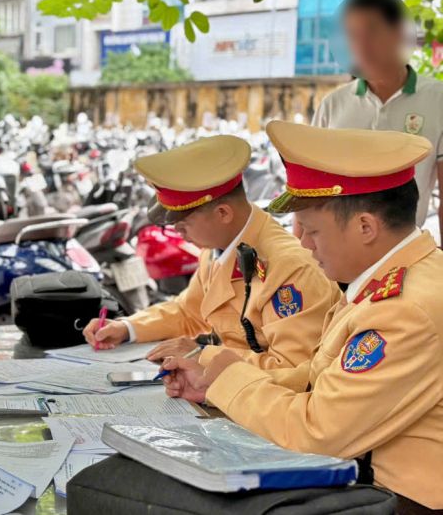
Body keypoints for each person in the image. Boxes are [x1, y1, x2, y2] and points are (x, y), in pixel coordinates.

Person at [163, 122, 443, 513]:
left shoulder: (403, 310)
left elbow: (316, 431)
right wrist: (215, 378)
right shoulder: (395, 278)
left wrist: (228, 378)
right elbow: (320, 379)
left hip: (400, 501)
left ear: (365, 226)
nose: (304, 245)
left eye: (312, 230)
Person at [83, 136, 340, 370]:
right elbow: (188, 311)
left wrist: (202, 354)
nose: (180, 234)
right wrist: (126, 328)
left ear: (223, 214)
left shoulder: (290, 268)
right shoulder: (218, 248)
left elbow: (292, 367)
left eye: (183, 225)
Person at [311, 0, 443, 241]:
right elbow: (310, 194)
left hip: (405, 253)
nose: (361, 44)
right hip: (339, 256)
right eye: (352, 34)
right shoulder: (332, 106)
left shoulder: (437, 99)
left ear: (399, 32)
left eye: (372, 30)